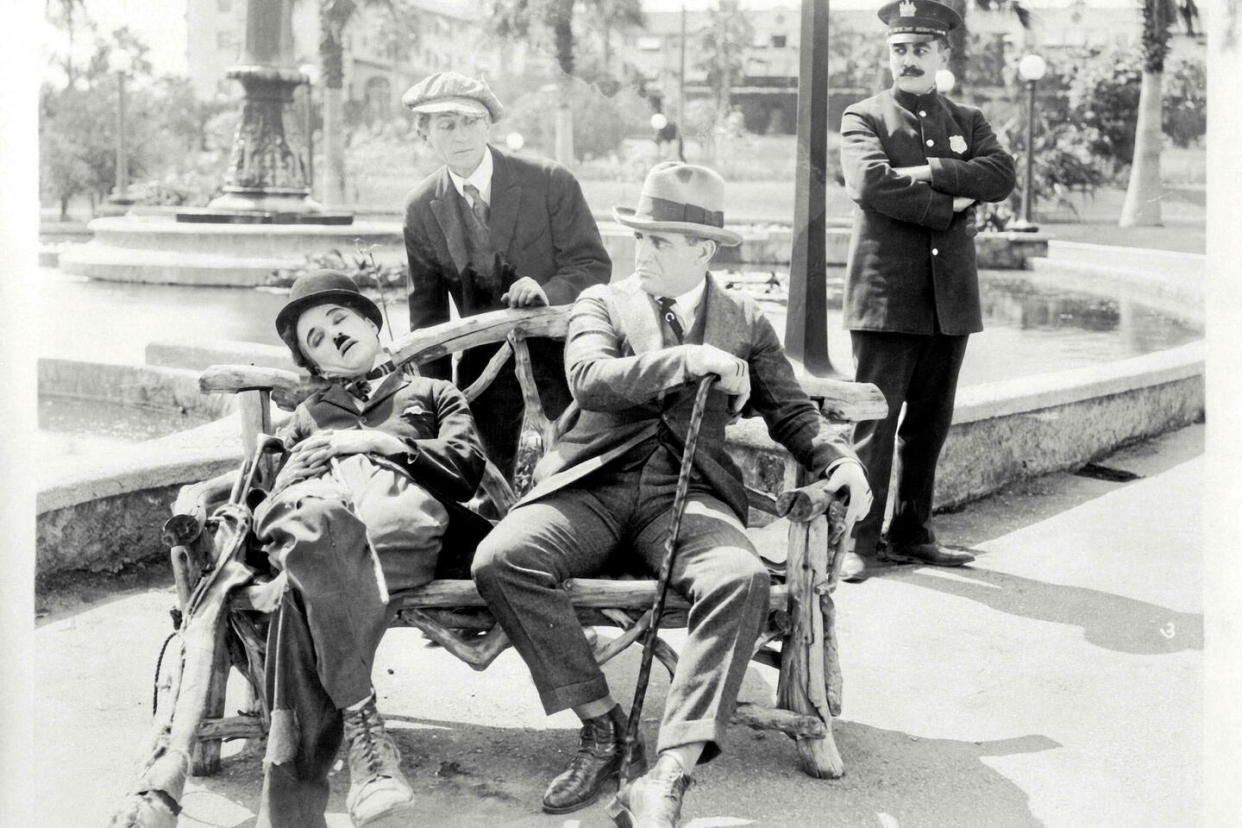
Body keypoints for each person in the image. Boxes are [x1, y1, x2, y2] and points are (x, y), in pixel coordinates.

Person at [470, 163, 873, 827]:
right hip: (591, 485)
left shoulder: (744, 318)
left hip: (684, 501)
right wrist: (688, 361)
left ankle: (668, 773)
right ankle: (602, 729)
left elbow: (791, 411)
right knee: (501, 559)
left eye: (661, 240)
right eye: (641, 235)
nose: (643, 250)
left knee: (739, 576)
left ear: (704, 251)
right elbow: (591, 380)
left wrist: (838, 461)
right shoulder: (602, 302)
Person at [255, 270, 490, 828]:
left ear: (369, 323)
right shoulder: (310, 416)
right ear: (318, 369)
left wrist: (381, 441)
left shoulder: (431, 392)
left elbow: (464, 468)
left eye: (339, 321)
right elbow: (272, 500)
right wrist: (287, 471)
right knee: (316, 524)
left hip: (402, 529)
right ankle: (369, 757)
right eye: (316, 340)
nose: (333, 337)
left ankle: (291, 807)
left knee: (301, 588)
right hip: (324, 524)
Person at [838, 0, 1015, 581]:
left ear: (943, 53)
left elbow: (1001, 174)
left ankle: (912, 533)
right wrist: (954, 202)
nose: (908, 60)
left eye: (920, 49)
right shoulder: (862, 116)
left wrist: (927, 172)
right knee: (874, 427)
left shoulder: (967, 119)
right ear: (888, 54)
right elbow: (870, 184)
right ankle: (858, 542)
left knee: (929, 426)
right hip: (887, 299)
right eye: (899, 50)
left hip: (950, 301)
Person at [401, 71, 612, 478]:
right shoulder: (421, 207)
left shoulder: (550, 182)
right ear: (424, 134)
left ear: (488, 125)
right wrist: (437, 403)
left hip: (565, 353)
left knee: (581, 471)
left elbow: (593, 265)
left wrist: (547, 290)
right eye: (446, 125)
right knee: (477, 479)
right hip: (484, 365)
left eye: (471, 122)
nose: (460, 135)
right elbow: (427, 316)